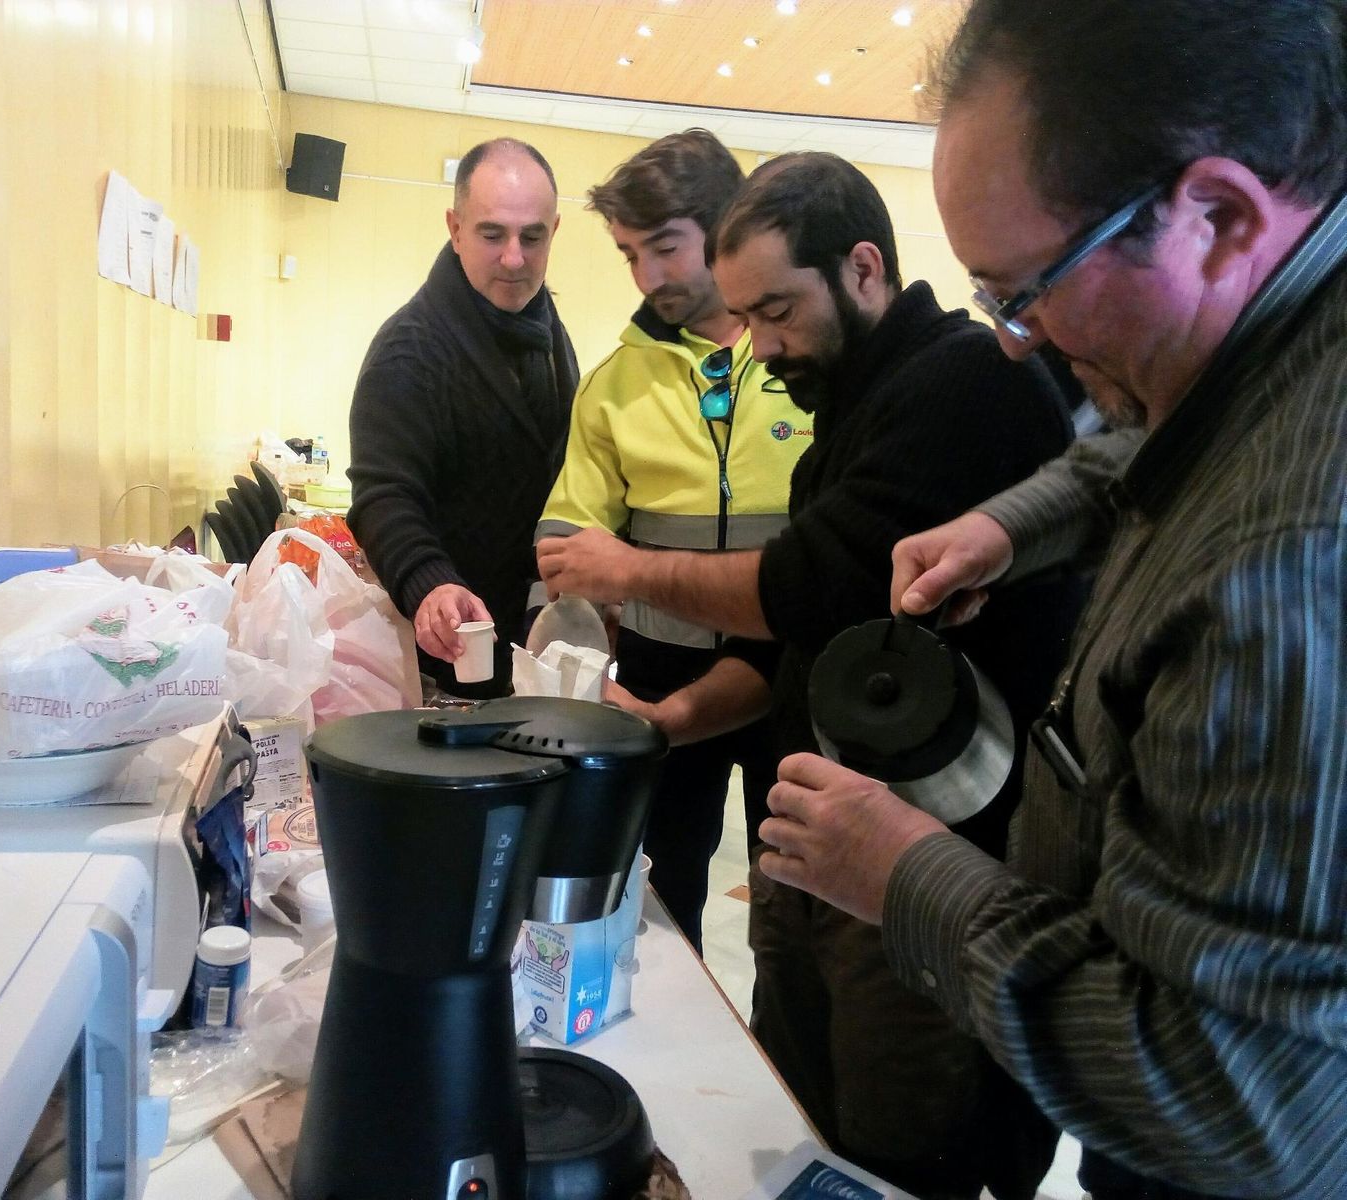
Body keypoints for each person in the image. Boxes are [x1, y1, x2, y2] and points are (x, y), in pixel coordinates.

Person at [753, 2, 1347, 1197]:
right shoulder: (1254, 342)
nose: (1015, 342)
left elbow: (1237, 1101)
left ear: (1217, 217)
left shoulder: (1287, 559)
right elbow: (1141, 445)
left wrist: (900, 871)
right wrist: (1003, 526)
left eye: (1027, 292)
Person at [540, 152, 1080, 1198]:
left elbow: (807, 586)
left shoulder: (962, 383)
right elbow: (795, 649)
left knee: (904, 1146)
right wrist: (661, 720)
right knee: (797, 1114)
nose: (764, 345)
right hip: (821, 850)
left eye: (779, 310)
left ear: (864, 269)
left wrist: (626, 569)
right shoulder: (848, 401)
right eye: (747, 318)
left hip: (927, 869)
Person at [533, 130, 806, 951]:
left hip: (794, 673)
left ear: (726, 229)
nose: (650, 277)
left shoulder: (803, 359)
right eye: (629, 255)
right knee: (654, 897)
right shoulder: (614, 382)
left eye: (665, 248)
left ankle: (771, 1070)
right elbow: (567, 525)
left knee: (793, 902)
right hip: (657, 682)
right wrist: (575, 579)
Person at [347, 138, 578, 697]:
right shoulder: (410, 350)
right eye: (492, 234)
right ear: (455, 228)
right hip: (452, 651)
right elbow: (383, 496)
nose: (514, 258)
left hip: (535, 645)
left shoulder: (546, 330)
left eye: (533, 236)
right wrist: (430, 583)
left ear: (555, 231)